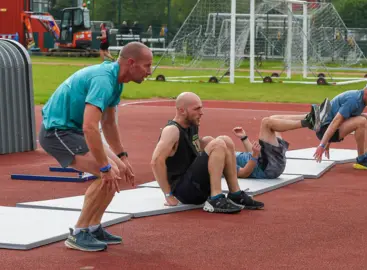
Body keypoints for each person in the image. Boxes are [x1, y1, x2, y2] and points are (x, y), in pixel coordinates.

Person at [39, 42, 153, 252]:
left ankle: (93, 227)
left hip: (73, 130)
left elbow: (108, 124)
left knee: (116, 171)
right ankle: (78, 233)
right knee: (106, 174)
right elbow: (90, 126)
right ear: (131, 63)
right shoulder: (103, 80)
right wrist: (104, 166)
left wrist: (122, 156)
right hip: (57, 131)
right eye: (147, 66)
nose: (149, 71)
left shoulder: (116, 80)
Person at [150, 92, 265, 214]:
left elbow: (189, 150)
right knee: (218, 144)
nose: (201, 112)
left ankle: (235, 194)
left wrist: (206, 142)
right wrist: (168, 195)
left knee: (225, 140)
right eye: (197, 109)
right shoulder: (172, 130)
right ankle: (215, 199)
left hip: (194, 183)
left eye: (201, 108)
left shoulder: (191, 125)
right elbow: (156, 161)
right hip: (184, 190)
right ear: (182, 111)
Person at [230, 103, 329, 179]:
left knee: (273, 119)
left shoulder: (223, 153)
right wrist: (255, 156)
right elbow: (243, 173)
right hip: (266, 168)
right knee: (266, 122)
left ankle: (313, 116)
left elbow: (248, 156)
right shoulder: (221, 162)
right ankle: (309, 122)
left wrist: (244, 138)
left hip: (267, 162)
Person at [313, 81, 367, 170]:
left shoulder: (361, 99)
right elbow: (335, 121)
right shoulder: (353, 100)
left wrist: (327, 144)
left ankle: (365, 155)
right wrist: (322, 145)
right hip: (324, 130)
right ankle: (362, 159)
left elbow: (338, 119)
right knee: (361, 121)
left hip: (329, 127)